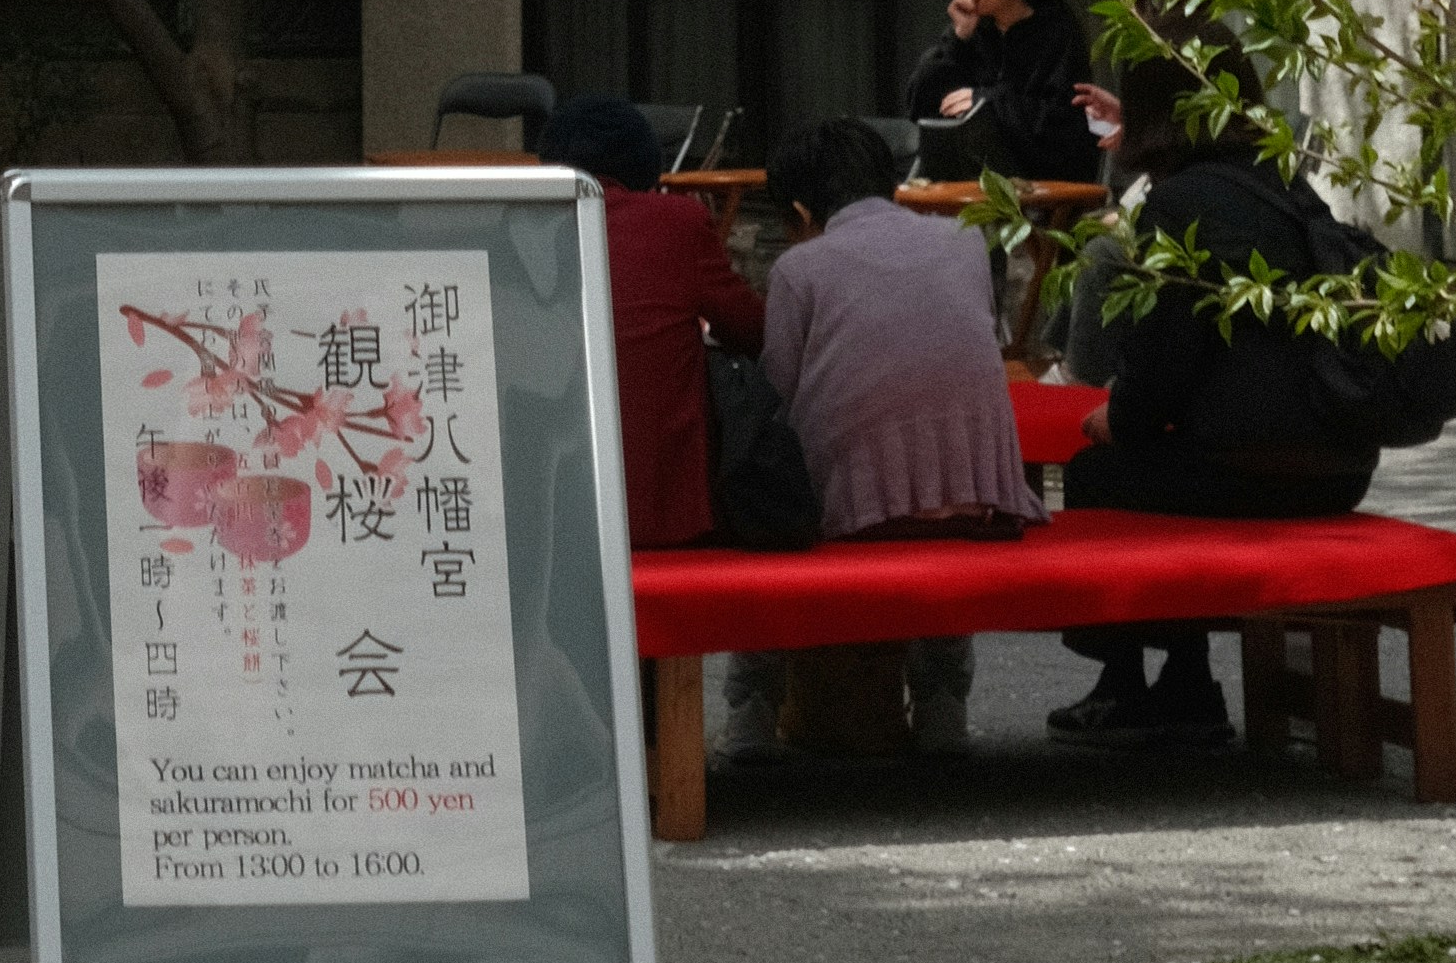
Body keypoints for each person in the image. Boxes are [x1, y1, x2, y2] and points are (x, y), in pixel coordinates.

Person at [1049, 51, 1377, 744]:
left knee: (1095, 476)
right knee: (1164, 464)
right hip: (1342, 464)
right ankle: (1185, 679)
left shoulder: (1178, 204)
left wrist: (1119, 415)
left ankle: (1132, 682)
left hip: (1256, 468)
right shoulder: (1286, 182)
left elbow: (1161, 372)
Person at [728, 115, 1032, 759]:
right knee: (936, 508)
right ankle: (943, 704)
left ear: (802, 209)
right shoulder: (966, 241)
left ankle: (750, 711)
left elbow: (778, 391)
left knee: (763, 496)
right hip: (982, 501)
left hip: (854, 508)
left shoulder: (800, 268)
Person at [542, 92, 763, 548]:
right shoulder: (677, 221)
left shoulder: (527, 227)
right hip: (664, 508)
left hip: (550, 513)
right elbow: (749, 327)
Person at [904, 0, 1099, 185]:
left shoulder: (1056, 30)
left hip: (1037, 171)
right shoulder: (975, 30)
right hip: (969, 169)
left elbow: (1062, 121)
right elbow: (919, 100)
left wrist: (986, 102)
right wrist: (958, 37)